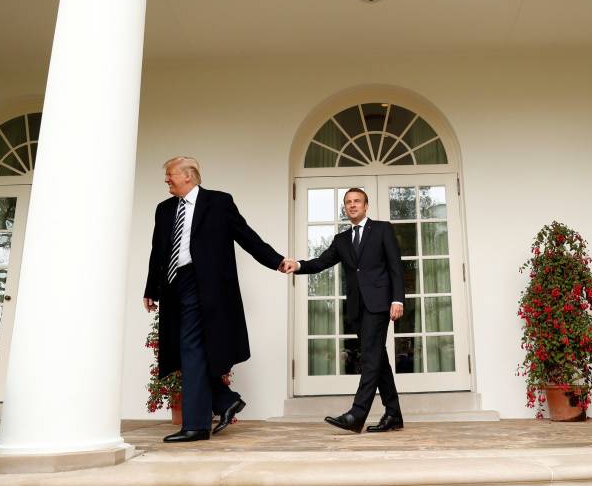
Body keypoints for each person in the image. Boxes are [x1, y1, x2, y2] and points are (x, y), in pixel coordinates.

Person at [144, 156, 286, 442]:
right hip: (174, 286)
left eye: (170, 174)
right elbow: (157, 251)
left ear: (188, 176)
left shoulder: (219, 202)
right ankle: (224, 400)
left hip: (205, 285)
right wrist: (151, 288)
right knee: (187, 351)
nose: (166, 180)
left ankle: (196, 425)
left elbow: (246, 236)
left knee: (191, 347)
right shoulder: (164, 209)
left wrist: (277, 261)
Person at [281, 188, 405, 433]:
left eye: (357, 201)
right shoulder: (342, 240)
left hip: (379, 304)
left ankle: (357, 415)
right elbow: (321, 262)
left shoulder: (382, 229)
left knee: (370, 359)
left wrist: (397, 299)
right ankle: (394, 414)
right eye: (348, 202)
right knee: (378, 359)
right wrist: (297, 265)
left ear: (366, 206)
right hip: (357, 307)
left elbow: (395, 267)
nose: (352, 205)